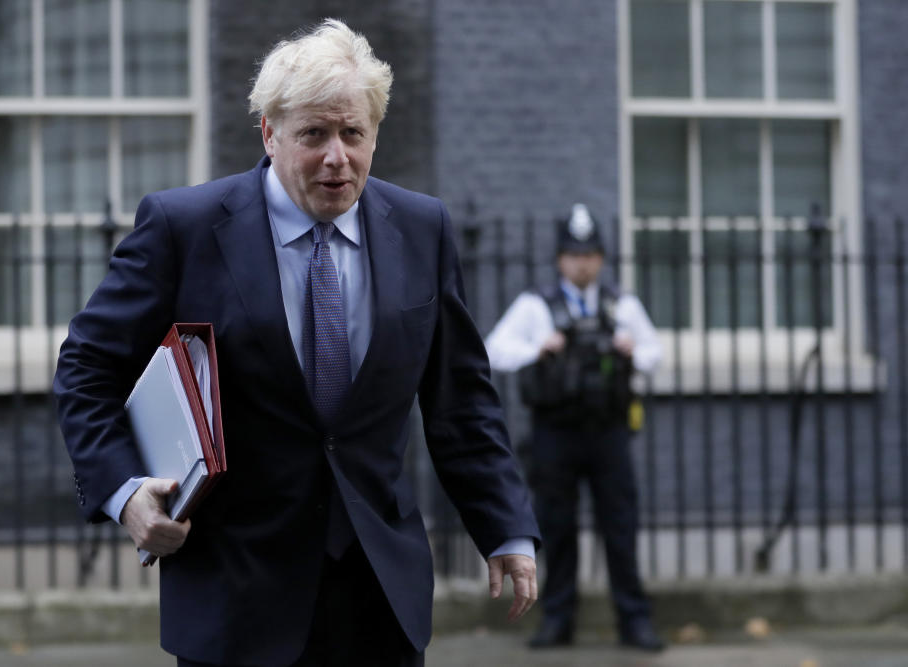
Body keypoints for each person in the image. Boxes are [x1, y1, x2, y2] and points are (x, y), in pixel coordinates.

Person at [53, 19, 540, 667]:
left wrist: (504, 522)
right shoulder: (185, 227)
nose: (337, 156)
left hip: (379, 597)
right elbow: (86, 366)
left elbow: (461, 402)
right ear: (270, 133)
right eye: (314, 134)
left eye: (352, 133)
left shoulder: (424, 230)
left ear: (374, 134)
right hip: (236, 596)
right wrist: (124, 491)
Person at [485, 203, 664, 652]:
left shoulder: (621, 303)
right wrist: (538, 348)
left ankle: (634, 622)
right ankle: (557, 622)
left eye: (589, 254)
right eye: (573, 254)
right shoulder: (535, 305)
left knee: (620, 527)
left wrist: (630, 350)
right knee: (556, 527)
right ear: (560, 259)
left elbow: (655, 352)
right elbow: (493, 350)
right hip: (555, 434)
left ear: (600, 258)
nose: (581, 262)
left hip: (609, 432)